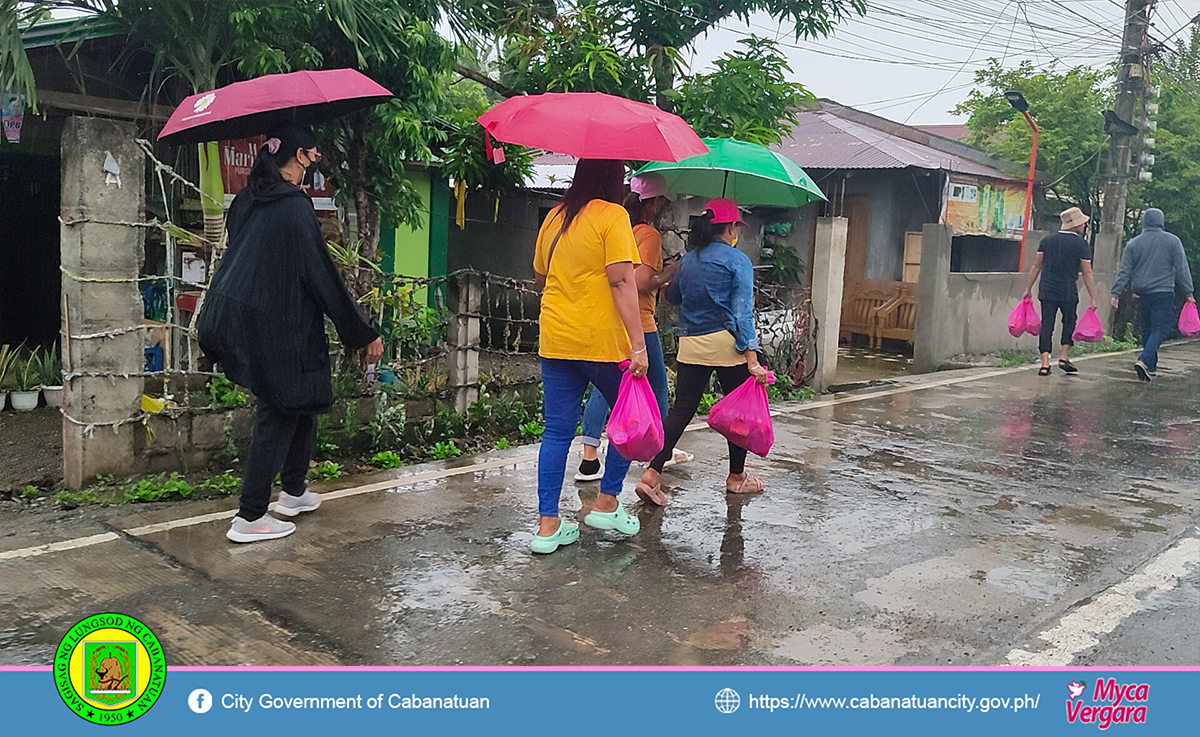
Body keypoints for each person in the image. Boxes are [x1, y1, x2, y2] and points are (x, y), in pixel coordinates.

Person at [198, 124, 382, 543]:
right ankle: (249, 516)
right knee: (278, 408)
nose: (316, 162)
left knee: (305, 393)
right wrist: (362, 331)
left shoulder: (245, 200)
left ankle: (294, 491)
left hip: (251, 315)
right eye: (315, 155)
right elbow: (322, 276)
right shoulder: (294, 208)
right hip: (274, 324)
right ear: (299, 156)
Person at [530, 158, 649, 555]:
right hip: (601, 342)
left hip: (556, 338)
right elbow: (620, 279)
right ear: (615, 179)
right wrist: (639, 343)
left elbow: (542, 276)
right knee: (627, 421)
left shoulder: (555, 217)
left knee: (556, 431)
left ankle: (548, 525)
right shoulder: (613, 216)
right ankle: (607, 503)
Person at [636, 198, 770, 505]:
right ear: (731, 228)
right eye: (737, 226)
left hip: (691, 345)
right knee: (739, 415)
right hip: (727, 345)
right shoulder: (738, 261)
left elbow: (674, 297)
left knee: (682, 409)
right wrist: (752, 358)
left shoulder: (688, 260)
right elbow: (741, 313)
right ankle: (736, 478)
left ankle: (652, 473)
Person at [575, 175, 690, 482]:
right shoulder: (648, 235)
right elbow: (639, 282)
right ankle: (658, 449)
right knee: (656, 386)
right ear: (652, 204)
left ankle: (589, 456)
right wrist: (669, 273)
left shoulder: (612, 228)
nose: (662, 207)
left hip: (609, 317)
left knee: (608, 386)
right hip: (639, 320)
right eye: (662, 202)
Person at [1111, 208, 1196, 381]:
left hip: (1142, 293)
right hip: (1163, 292)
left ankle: (1151, 365)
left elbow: (1124, 271)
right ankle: (1143, 360)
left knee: (1147, 329)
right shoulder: (1172, 241)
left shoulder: (1134, 243)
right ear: (1161, 221)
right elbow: (1181, 268)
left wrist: (1116, 292)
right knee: (1161, 329)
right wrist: (1188, 292)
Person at [1023, 206, 1098, 376]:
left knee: (1047, 324)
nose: (1084, 225)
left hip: (1047, 289)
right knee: (1069, 321)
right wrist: (1093, 297)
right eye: (1083, 223)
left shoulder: (1046, 241)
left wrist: (1028, 288)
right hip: (1068, 290)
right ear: (1075, 225)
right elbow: (1087, 272)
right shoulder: (1081, 244)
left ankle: (1044, 363)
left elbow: (1036, 265)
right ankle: (1063, 355)